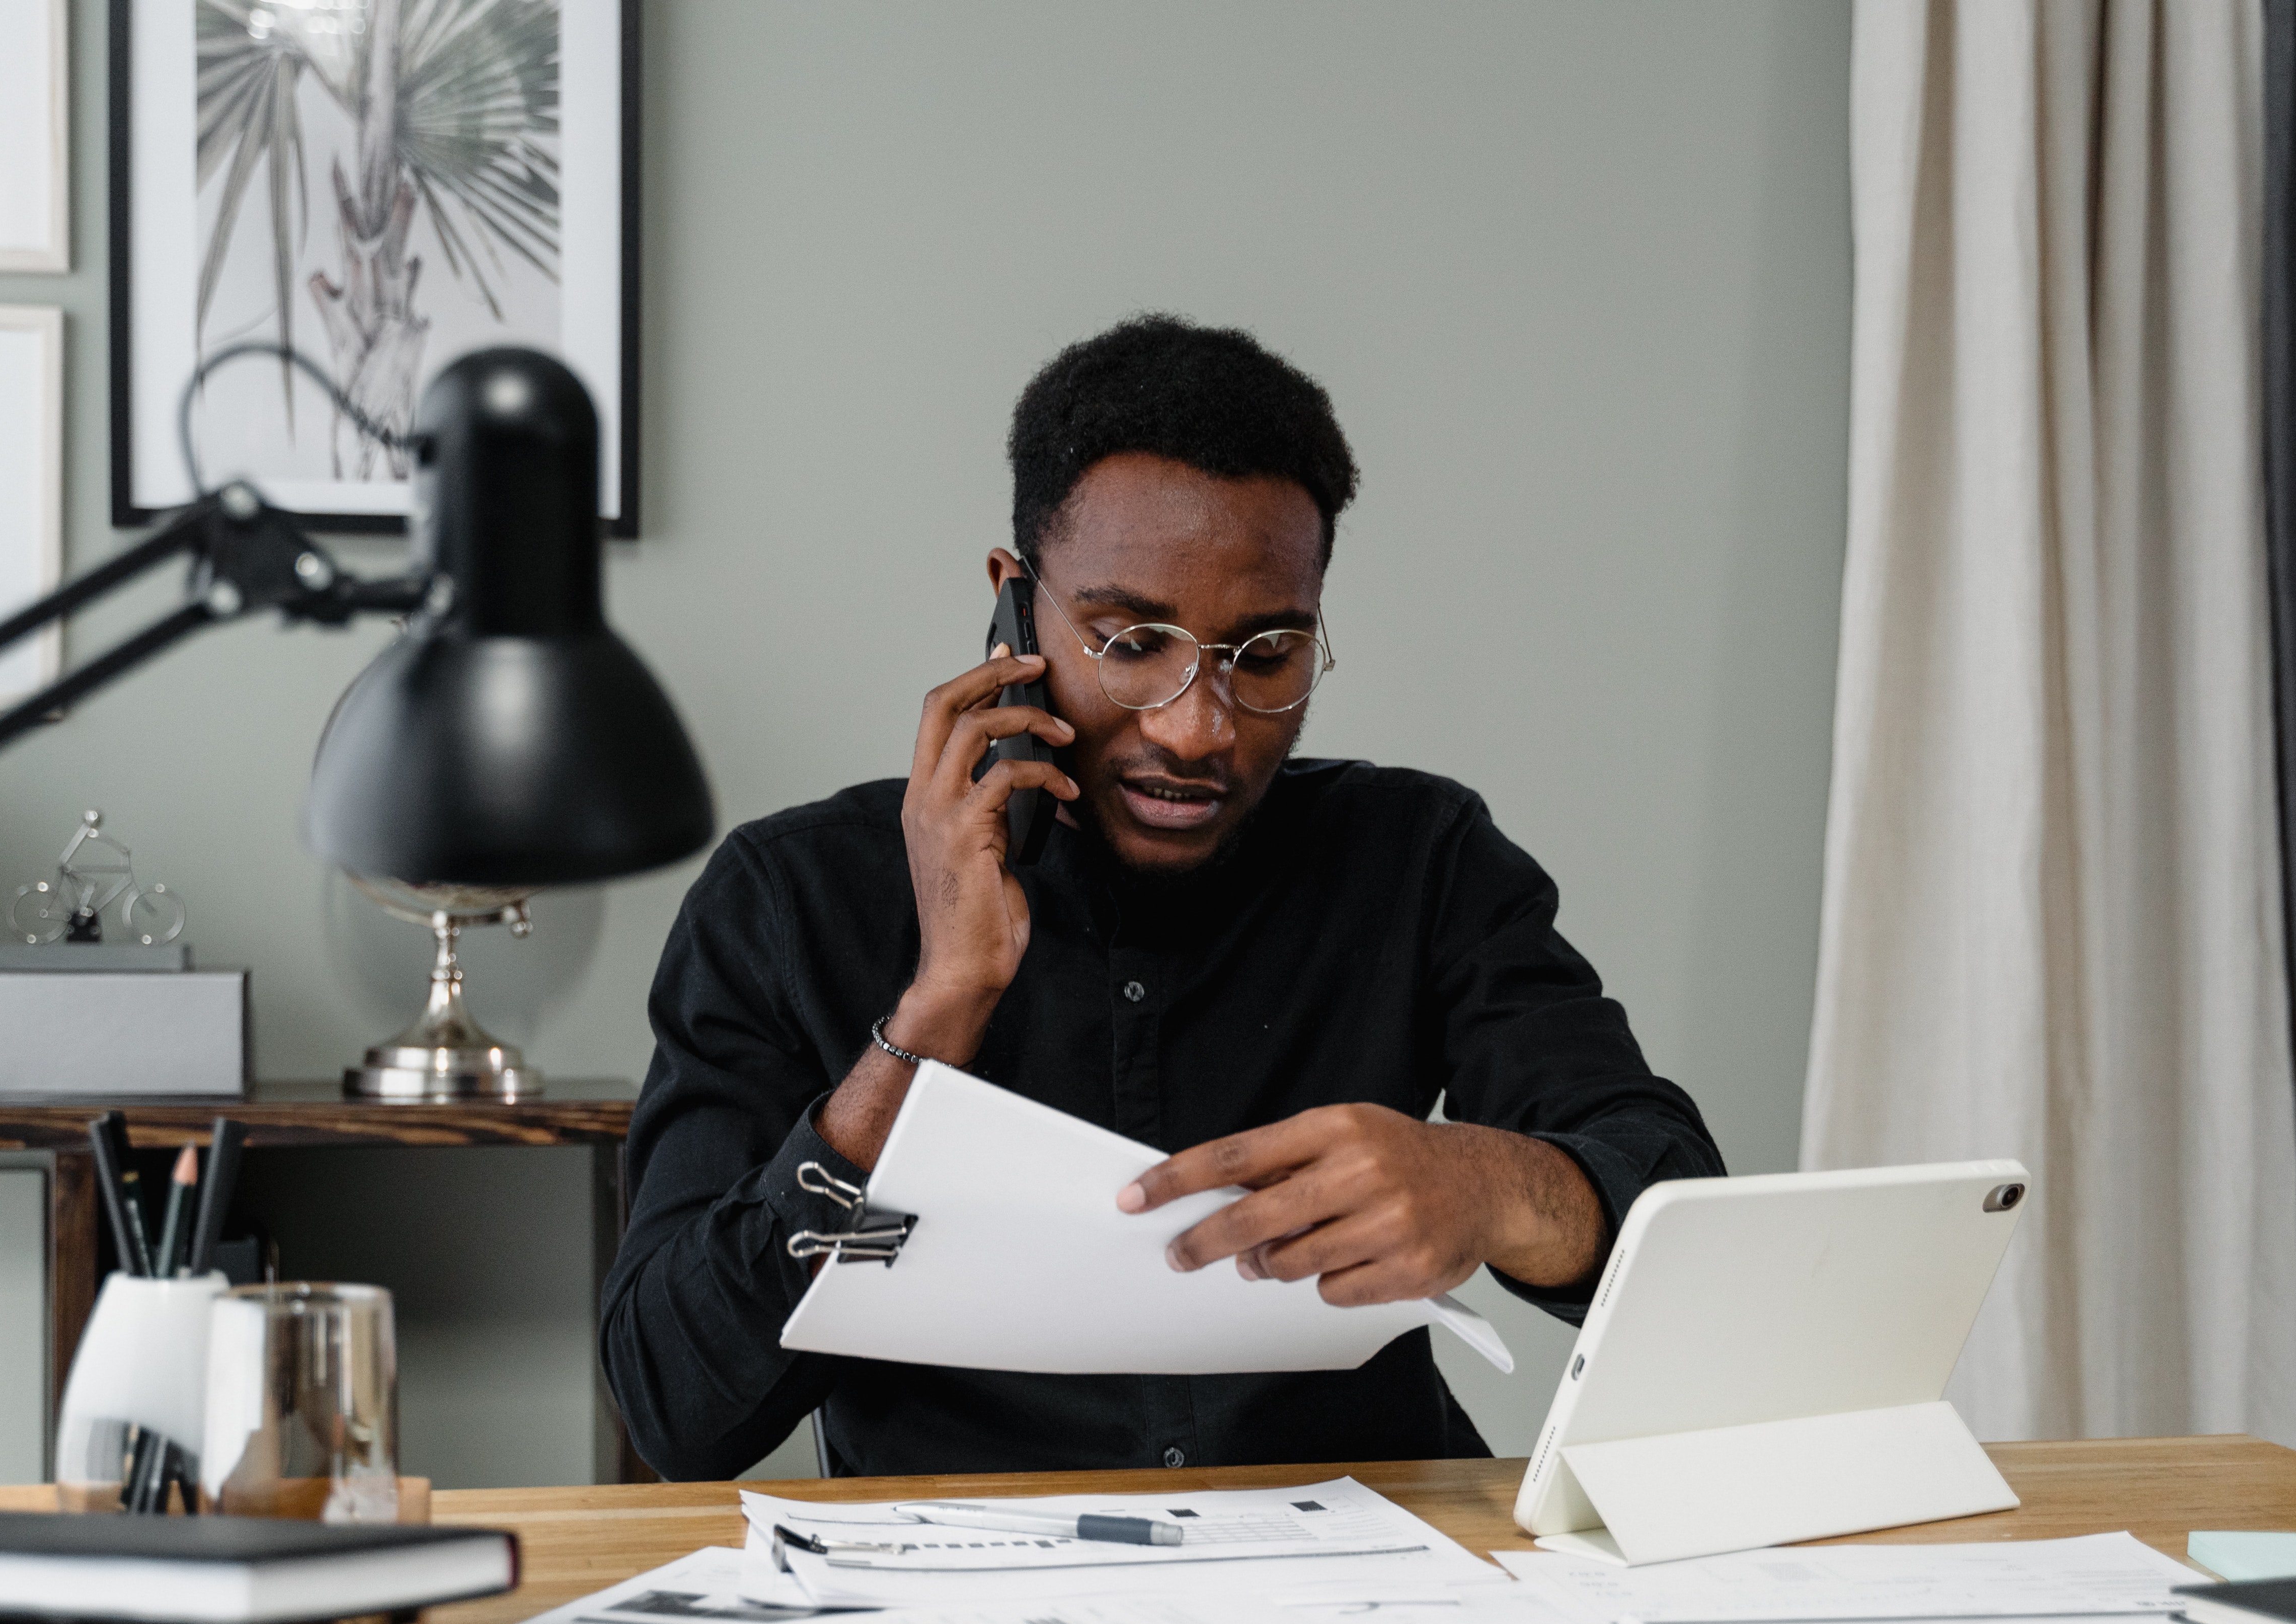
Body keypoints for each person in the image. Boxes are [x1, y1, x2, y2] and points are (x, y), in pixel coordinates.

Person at [604, 315, 1718, 1480]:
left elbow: (1680, 1220)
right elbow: (678, 1405)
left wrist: (1488, 1187)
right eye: (1131, 641)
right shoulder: (791, 898)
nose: (1198, 728)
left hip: (1378, 1584)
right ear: (1013, 604)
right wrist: (931, 1020)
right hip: (961, 1603)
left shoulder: (1419, 857)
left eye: (1266, 653)